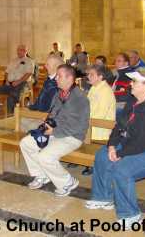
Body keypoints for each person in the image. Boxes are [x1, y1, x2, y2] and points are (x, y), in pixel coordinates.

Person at [86, 67, 145, 230]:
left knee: (122, 169)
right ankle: (103, 197)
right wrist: (112, 145)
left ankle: (131, 214)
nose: (130, 84)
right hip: (134, 145)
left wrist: (121, 153)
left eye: (134, 81)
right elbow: (118, 127)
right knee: (102, 154)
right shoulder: (132, 101)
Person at [20, 64, 89, 197]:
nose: (56, 78)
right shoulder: (59, 94)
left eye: (59, 76)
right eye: (56, 75)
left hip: (72, 137)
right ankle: (41, 175)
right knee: (26, 143)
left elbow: (79, 126)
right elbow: (53, 114)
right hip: (54, 132)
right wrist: (46, 125)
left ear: (70, 78)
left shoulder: (80, 98)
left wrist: (54, 132)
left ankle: (68, 182)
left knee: (45, 156)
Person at [82, 64, 116, 175]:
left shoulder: (105, 91)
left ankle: (92, 162)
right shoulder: (95, 87)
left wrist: (82, 118)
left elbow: (100, 115)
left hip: (101, 128)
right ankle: (82, 158)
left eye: (92, 75)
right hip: (91, 123)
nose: (88, 77)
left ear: (101, 77)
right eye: (88, 74)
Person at [21, 55, 63, 132]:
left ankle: (37, 141)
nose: (45, 66)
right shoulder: (49, 79)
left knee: (31, 126)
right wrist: (31, 108)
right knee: (22, 120)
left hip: (50, 118)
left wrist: (36, 113)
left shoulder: (58, 83)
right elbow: (40, 99)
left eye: (47, 64)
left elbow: (51, 107)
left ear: (56, 67)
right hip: (41, 113)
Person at [0, 45, 34, 113]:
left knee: (13, 94)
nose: (18, 52)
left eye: (20, 50)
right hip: (10, 82)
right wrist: (6, 80)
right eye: (18, 50)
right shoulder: (13, 60)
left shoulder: (29, 61)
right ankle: (6, 106)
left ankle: (10, 114)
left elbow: (29, 73)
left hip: (23, 83)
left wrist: (18, 81)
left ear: (25, 51)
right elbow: (7, 72)